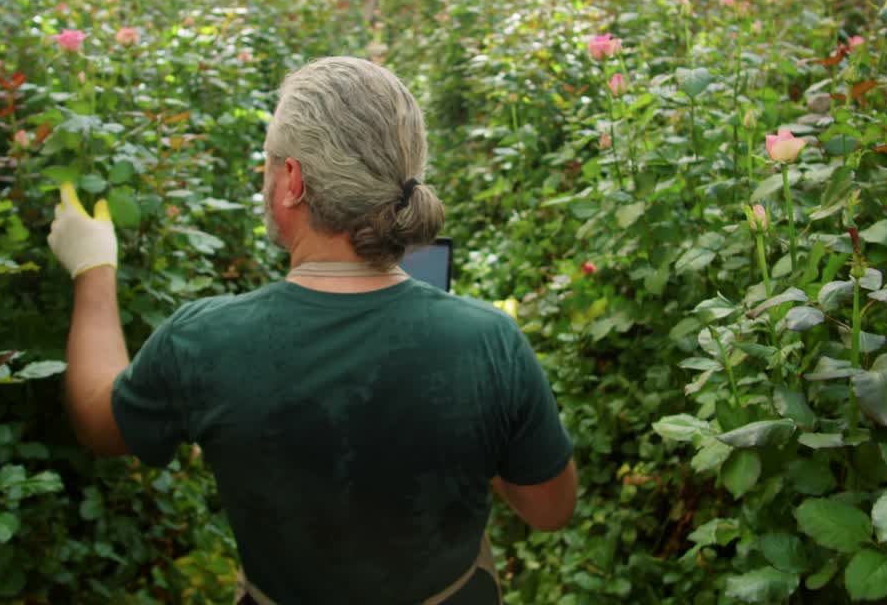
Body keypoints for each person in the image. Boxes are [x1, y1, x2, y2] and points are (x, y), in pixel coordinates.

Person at [47, 56, 577, 604]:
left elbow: (95, 419)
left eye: (270, 162)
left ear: (292, 181)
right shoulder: (488, 341)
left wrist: (93, 267)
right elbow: (550, 508)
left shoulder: (205, 341)